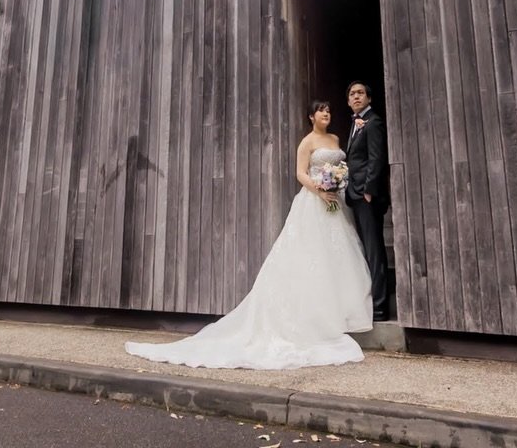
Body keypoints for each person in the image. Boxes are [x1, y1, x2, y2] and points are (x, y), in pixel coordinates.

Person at [124, 101, 373, 369]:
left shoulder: (336, 138)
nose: (326, 113)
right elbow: (300, 173)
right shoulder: (307, 142)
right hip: (314, 201)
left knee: (337, 254)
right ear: (312, 116)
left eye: (329, 110)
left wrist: (336, 183)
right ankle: (315, 316)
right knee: (311, 254)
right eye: (321, 110)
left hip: (335, 203)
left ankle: (343, 311)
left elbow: (340, 168)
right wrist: (320, 189)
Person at [344, 81, 390, 323]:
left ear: (369, 98)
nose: (356, 96)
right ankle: (373, 302)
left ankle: (381, 307)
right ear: (348, 100)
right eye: (352, 94)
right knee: (366, 249)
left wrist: (369, 191)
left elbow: (377, 157)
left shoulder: (374, 122)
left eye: (361, 93)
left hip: (366, 196)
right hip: (355, 195)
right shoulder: (354, 124)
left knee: (374, 250)